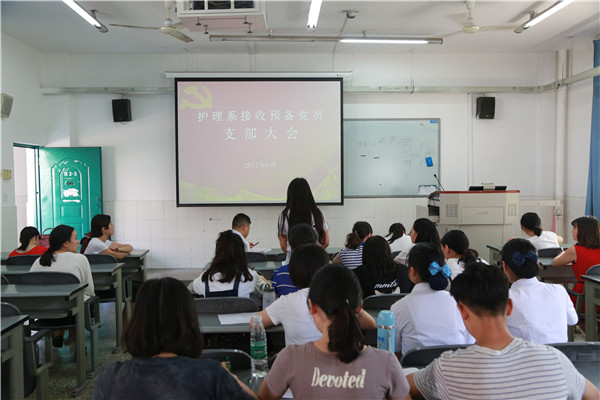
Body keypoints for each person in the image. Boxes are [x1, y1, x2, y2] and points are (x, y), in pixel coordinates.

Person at [406, 263, 599, 400]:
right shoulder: (555, 360)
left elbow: (400, 386)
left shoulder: (447, 369)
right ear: (509, 307)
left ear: (462, 311)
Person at [258, 265, 410, 400]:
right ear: (360, 306)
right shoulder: (386, 363)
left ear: (312, 307)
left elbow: (264, 397)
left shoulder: (290, 358)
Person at [92, 277, 255, 400]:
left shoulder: (111, 376)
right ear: (190, 321)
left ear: (138, 321)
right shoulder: (212, 374)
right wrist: (231, 379)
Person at [391, 242, 474, 358]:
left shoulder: (398, 308)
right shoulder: (458, 303)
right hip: (455, 366)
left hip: (415, 368)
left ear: (412, 271)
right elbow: (469, 342)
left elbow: (394, 350)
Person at [30, 224, 95, 347]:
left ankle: (58, 334)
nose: (78, 242)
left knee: (67, 303)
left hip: (44, 313)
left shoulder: (39, 261)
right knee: (78, 302)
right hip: (72, 312)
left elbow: (30, 289)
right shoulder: (80, 259)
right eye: (75, 238)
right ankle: (78, 347)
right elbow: (89, 290)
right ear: (65, 243)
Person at [501, 238, 577, 344]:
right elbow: (573, 320)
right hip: (560, 353)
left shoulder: (504, 299)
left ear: (504, 266)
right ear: (537, 263)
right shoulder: (559, 290)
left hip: (525, 354)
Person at [254, 244, 329, 346]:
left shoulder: (286, 301)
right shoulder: (339, 299)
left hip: (296, 356)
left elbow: (255, 321)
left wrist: (284, 317)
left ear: (293, 273)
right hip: (331, 356)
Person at [192, 230, 269, 298]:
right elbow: (269, 290)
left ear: (218, 253)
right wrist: (261, 279)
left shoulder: (205, 278)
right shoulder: (250, 276)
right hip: (240, 310)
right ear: (241, 253)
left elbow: (193, 287)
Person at [277, 177, 329, 260]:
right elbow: (326, 242)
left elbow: (283, 244)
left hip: (293, 258)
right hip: (315, 258)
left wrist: (295, 255)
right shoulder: (317, 213)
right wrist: (315, 252)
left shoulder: (285, 215)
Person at [553, 215, 600, 305]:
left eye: (574, 228)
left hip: (583, 299)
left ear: (583, 230)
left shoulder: (575, 249)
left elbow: (555, 263)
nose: (572, 231)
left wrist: (562, 253)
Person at [271, 223, 318, 297]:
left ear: (291, 246)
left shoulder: (279, 273)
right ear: (316, 243)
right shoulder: (326, 274)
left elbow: (275, 298)